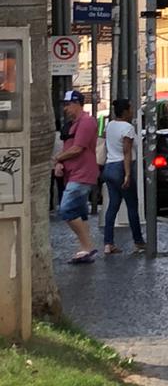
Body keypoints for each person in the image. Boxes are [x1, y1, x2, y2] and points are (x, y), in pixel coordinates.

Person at [53, 89, 99, 263]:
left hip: (82, 174)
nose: (65, 109)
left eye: (68, 105)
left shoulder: (87, 122)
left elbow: (77, 148)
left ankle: (87, 246)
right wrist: (60, 163)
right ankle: (85, 248)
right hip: (73, 173)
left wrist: (57, 159)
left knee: (67, 209)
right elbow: (69, 148)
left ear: (77, 104)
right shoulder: (73, 124)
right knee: (80, 212)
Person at [101, 99, 145, 254]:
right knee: (132, 206)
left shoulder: (110, 125)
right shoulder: (128, 128)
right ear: (125, 111)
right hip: (121, 168)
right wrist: (127, 174)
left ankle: (108, 243)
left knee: (113, 206)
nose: (132, 111)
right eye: (130, 109)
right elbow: (126, 152)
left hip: (109, 167)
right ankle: (138, 241)